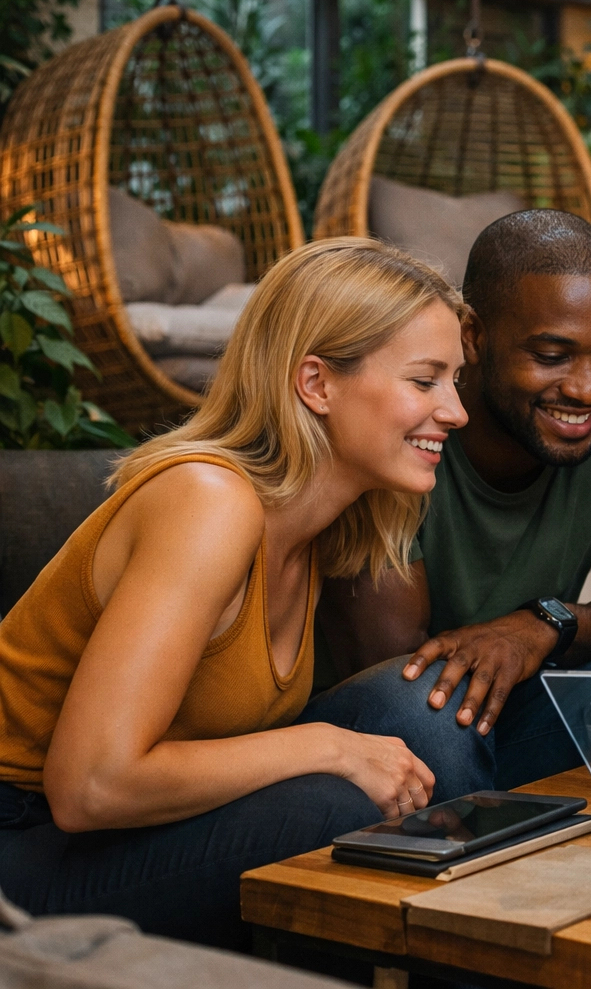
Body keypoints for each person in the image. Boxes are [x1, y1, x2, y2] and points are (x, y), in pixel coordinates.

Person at [0, 238, 493, 950]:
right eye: (425, 381)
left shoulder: (318, 525)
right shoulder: (208, 505)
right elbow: (90, 787)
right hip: (23, 837)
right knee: (330, 805)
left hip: (103, 829)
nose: (456, 411)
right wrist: (327, 747)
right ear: (316, 384)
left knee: (419, 710)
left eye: (455, 381)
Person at [317, 210, 591, 791]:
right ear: (473, 336)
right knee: (427, 710)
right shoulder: (407, 421)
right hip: (377, 726)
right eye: (552, 356)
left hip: (509, 703)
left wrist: (541, 625)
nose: (588, 388)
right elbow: (397, 667)